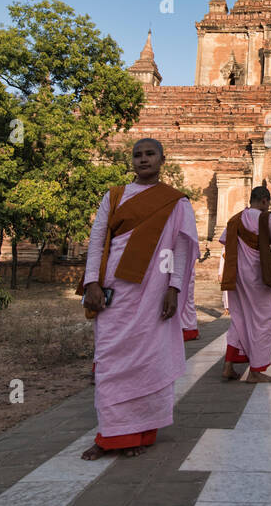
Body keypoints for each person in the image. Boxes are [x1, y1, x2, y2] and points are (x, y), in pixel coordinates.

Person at [80, 138, 197, 459]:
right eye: (137, 155)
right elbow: (97, 241)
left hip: (154, 293)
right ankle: (110, 434)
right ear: (131, 160)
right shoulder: (114, 196)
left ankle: (139, 431)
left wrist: (174, 289)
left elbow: (182, 249)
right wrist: (91, 281)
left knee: (148, 361)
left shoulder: (176, 202)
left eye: (149, 154)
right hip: (113, 292)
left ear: (162, 159)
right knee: (109, 361)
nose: (143, 160)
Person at [219, 186, 271, 383]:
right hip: (259, 277)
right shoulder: (268, 218)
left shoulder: (236, 219)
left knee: (239, 318)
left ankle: (228, 366)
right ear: (264, 201)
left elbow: (225, 240)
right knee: (261, 321)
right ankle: (256, 371)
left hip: (237, 275)